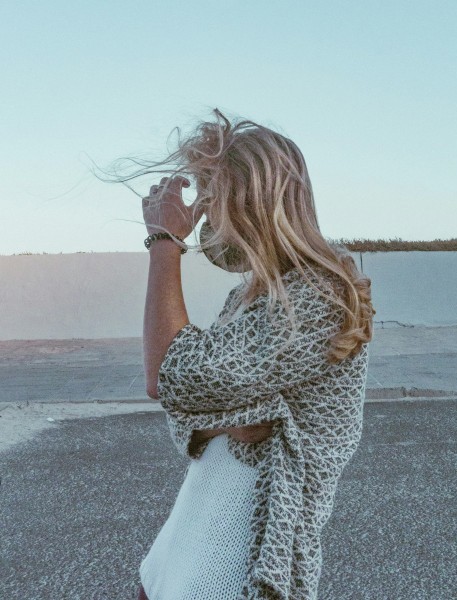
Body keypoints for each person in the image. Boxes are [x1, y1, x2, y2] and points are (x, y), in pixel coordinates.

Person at [118, 108, 375, 599]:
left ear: (251, 201)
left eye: (211, 199)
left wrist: (164, 243)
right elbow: (184, 408)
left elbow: (171, 376)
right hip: (202, 506)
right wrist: (222, 419)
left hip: (252, 537)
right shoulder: (249, 295)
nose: (204, 218)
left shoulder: (321, 294)